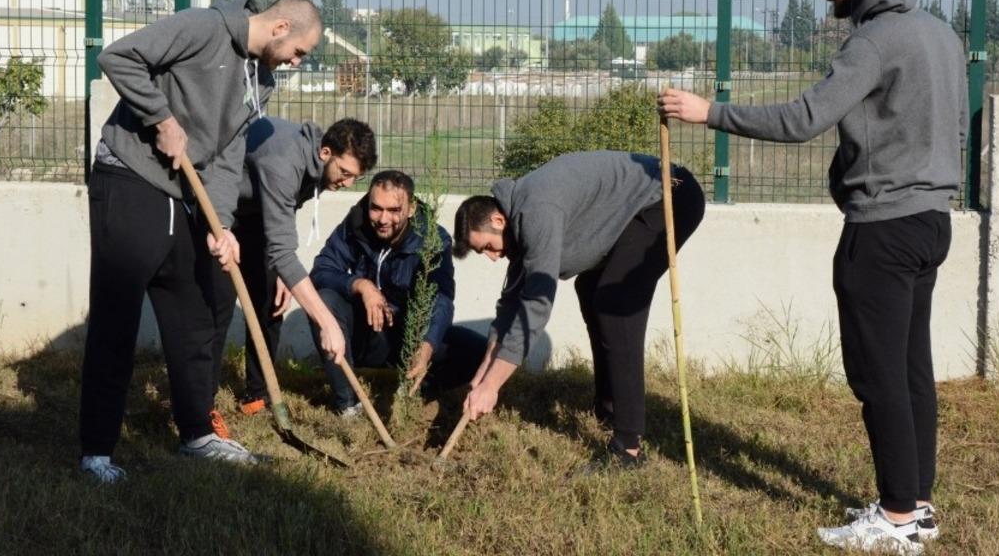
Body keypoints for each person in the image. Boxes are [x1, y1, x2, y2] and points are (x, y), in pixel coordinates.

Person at [660, 0, 966, 554]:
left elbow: (804, 118)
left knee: (878, 376)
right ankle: (916, 505)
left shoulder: (875, 40)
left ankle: (898, 519)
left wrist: (708, 113)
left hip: (882, 229)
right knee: (911, 372)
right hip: (933, 222)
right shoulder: (940, 33)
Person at [80, 0, 322, 483]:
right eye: (299, 51)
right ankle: (97, 451)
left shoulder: (261, 80)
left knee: (194, 313)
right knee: (117, 315)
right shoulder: (204, 28)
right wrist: (161, 119)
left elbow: (231, 154)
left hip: (182, 193)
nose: (297, 63)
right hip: (129, 175)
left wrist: (223, 225)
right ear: (279, 27)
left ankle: (197, 434)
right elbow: (118, 57)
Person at [452, 150, 704, 468]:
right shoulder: (519, 216)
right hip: (641, 209)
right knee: (590, 289)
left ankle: (628, 449)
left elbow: (536, 305)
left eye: (487, 246)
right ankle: (609, 407)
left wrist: (492, 387)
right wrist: (483, 373)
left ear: (497, 220)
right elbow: (510, 307)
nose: (491, 257)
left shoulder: (535, 212)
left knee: (616, 304)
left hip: (670, 198)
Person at [209, 116, 378, 415]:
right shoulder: (284, 160)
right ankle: (202, 402)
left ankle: (256, 396)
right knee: (217, 305)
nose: (348, 182)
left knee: (272, 302)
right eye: (345, 172)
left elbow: (285, 212)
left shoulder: (322, 169)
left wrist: (287, 275)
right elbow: (282, 243)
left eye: (356, 177)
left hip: (259, 215)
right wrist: (328, 323)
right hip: (220, 211)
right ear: (326, 153)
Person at [307, 170, 486, 414]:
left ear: (411, 209)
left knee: (478, 352)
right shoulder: (356, 224)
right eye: (376, 208)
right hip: (367, 334)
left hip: (408, 335)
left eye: (393, 210)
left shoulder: (432, 239)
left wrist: (426, 347)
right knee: (324, 300)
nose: (383, 219)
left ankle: (415, 390)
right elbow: (322, 269)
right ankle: (347, 404)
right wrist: (361, 285)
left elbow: (442, 300)